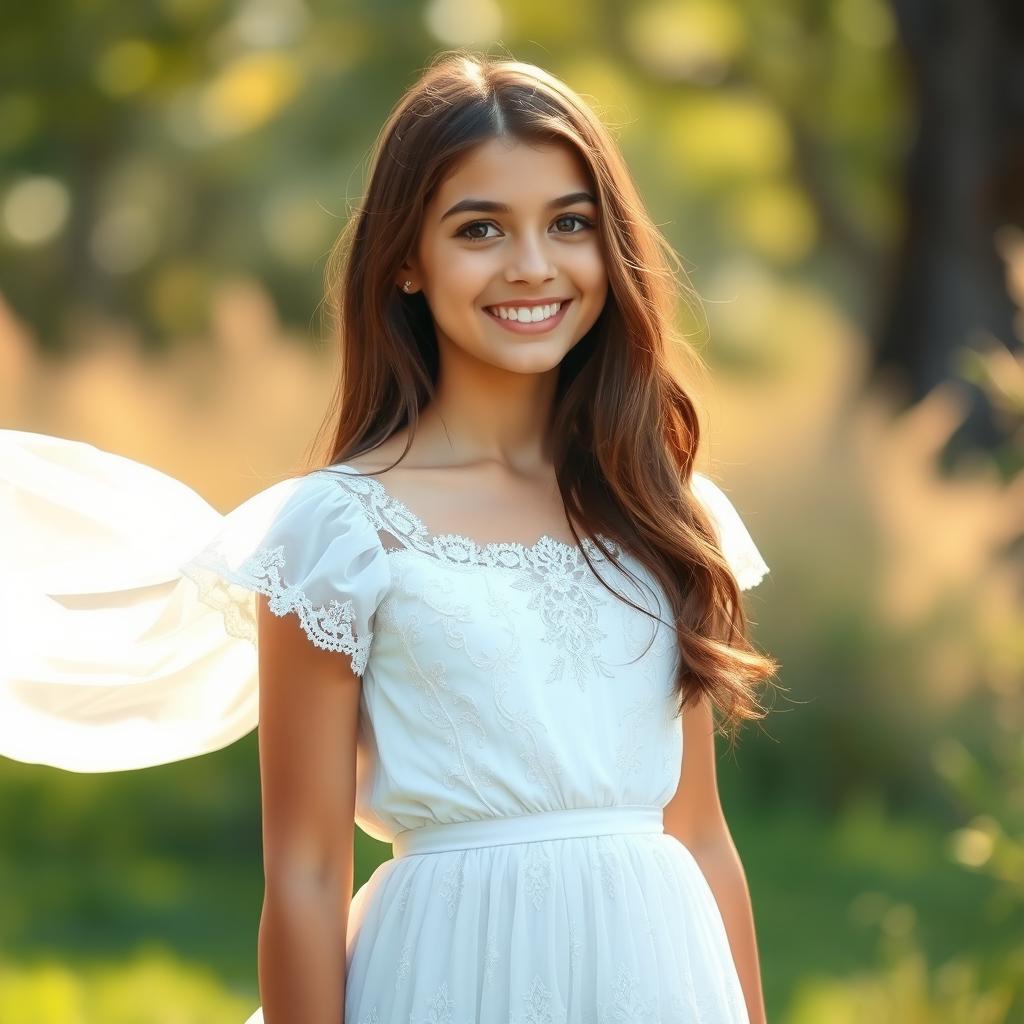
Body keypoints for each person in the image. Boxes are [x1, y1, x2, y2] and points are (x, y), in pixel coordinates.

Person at [0, 50, 780, 1024]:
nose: (531, 264)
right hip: (451, 975)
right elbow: (306, 871)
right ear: (407, 259)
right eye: (479, 228)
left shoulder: (664, 508)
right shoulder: (342, 529)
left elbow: (700, 833)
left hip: (659, 978)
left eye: (567, 223)